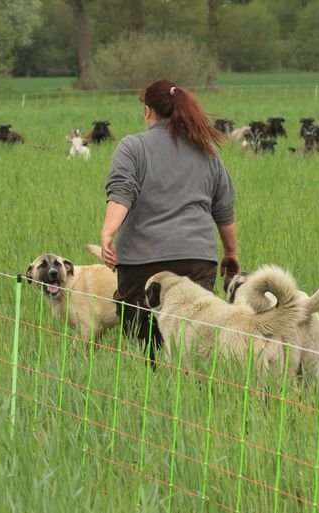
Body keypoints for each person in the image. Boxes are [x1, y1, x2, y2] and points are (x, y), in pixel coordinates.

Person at [100, 78, 240, 362]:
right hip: (195, 259)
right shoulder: (207, 152)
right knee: (195, 346)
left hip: (141, 262)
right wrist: (231, 252)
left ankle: (149, 395)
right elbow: (223, 209)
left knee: (142, 344)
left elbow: (121, 193)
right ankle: (191, 396)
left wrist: (107, 234)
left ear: (148, 110)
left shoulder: (133, 147)